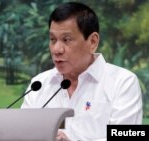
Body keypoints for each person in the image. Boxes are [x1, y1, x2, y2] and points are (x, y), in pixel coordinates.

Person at [21, 2, 143, 141]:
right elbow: (22, 134)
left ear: (92, 42)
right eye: (53, 40)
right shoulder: (39, 84)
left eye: (66, 40)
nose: (56, 49)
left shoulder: (122, 82)